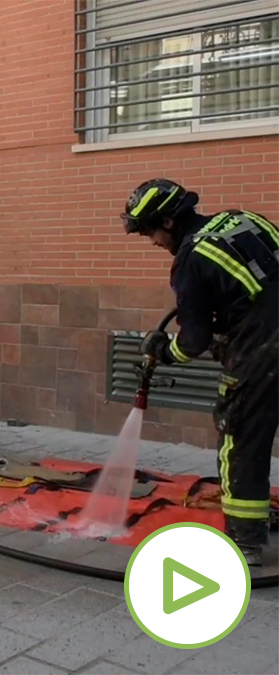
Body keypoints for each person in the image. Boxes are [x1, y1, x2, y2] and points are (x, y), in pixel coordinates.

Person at [123, 178, 277, 565]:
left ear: (170, 222)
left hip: (262, 353)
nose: (153, 243)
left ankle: (246, 542)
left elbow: (193, 342)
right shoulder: (242, 220)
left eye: (151, 233)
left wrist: (163, 350)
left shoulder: (191, 259)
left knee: (241, 443)